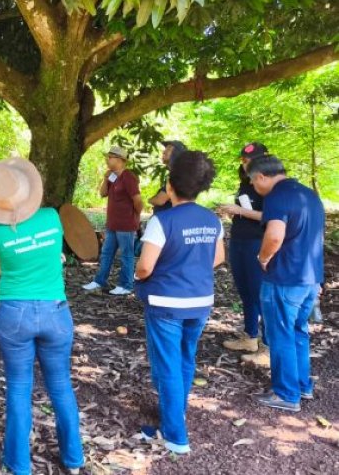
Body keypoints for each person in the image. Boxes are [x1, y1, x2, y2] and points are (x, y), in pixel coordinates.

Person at [0, 158, 84, 475]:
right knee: (61, 386)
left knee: (19, 386)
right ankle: (74, 460)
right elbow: (55, 253)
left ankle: (19, 464)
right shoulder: (52, 218)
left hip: (14, 314)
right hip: (56, 312)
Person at [134, 151, 224, 455]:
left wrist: (138, 275)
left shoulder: (162, 221)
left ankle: (175, 435)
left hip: (165, 303)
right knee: (186, 357)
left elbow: (145, 266)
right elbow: (219, 258)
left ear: (170, 186)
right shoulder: (212, 219)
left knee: (167, 365)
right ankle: (178, 411)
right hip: (200, 301)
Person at [247, 155, 324, 412]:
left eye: (253, 182)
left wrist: (263, 257)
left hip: (284, 278)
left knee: (280, 335)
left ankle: (286, 394)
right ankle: (303, 385)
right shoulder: (308, 194)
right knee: (298, 332)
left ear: (260, 177)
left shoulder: (277, 197)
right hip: (309, 278)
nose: (254, 188)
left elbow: (275, 235)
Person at [217, 142, 269, 357]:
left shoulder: (269, 184)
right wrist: (233, 212)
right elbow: (247, 211)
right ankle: (250, 337)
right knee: (245, 291)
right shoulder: (246, 182)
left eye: (248, 160)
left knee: (260, 293)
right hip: (239, 240)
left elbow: (271, 217)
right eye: (243, 160)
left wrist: (240, 211)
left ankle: (267, 346)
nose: (245, 163)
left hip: (258, 242)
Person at [83, 146, 143, 295]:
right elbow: (103, 193)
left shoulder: (129, 177)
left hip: (126, 224)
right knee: (106, 253)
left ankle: (126, 285)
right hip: (112, 223)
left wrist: (135, 216)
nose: (107, 160)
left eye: (110, 157)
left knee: (126, 255)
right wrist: (105, 178)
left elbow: (138, 200)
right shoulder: (112, 176)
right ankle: (99, 281)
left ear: (120, 160)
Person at [148, 140, 187, 213]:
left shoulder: (178, 175)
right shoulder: (175, 174)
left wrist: (149, 200)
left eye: (168, 149)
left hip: (171, 220)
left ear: (177, 153)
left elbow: (160, 200)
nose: (164, 152)